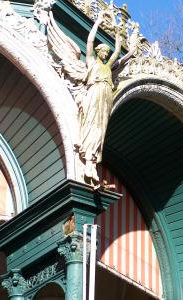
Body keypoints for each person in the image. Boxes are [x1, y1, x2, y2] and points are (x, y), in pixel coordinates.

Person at [78, 10, 121, 184]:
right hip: (94, 95)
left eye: (106, 52)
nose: (106, 53)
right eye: (103, 50)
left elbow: (117, 52)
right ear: (98, 51)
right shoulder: (91, 61)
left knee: (100, 130)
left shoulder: (108, 67)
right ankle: (88, 163)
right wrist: (98, 22)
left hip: (105, 99)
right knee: (92, 126)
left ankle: (93, 162)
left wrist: (118, 35)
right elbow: (89, 41)